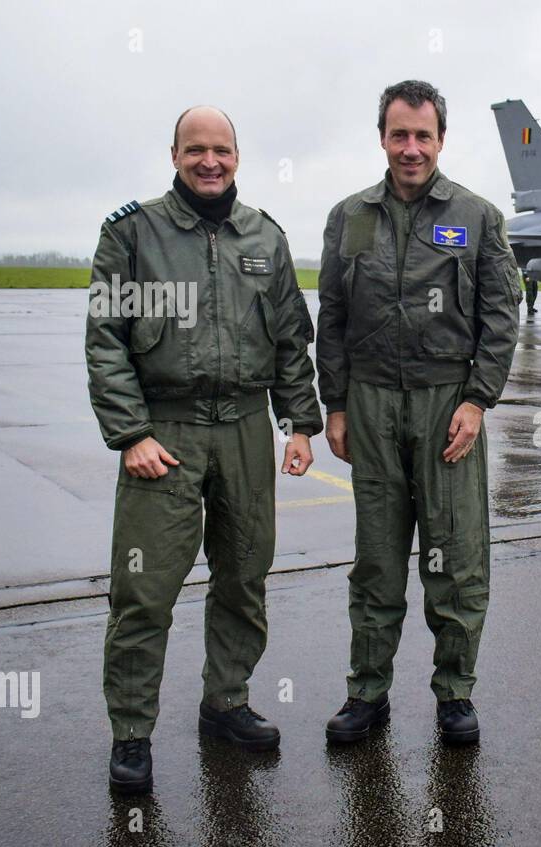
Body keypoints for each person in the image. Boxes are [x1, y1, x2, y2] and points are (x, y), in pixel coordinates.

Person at [85, 106, 322, 794]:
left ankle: (227, 702)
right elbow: (106, 341)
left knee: (244, 576)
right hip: (166, 430)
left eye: (221, 149)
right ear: (174, 154)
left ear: (238, 157)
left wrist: (299, 424)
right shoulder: (133, 234)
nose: (209, 161)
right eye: (196, 149)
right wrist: (130, 434)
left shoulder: (265, 237)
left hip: (246, 426)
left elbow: (288, 341)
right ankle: (131, 733)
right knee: (144, 592)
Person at [317, 80, 521, 745]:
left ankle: (455, 695)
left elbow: (500, 315)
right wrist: (337, 404)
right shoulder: (349, 217)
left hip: (446, 408)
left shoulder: (479, 216)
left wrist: (477, 398)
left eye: (423, 136)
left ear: (440, 139)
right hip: (371, 406)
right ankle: (366, 694)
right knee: (376, 561)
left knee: (455, 560)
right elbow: (334, 317)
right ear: (382, 137)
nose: (411, 148)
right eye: (399, 134)